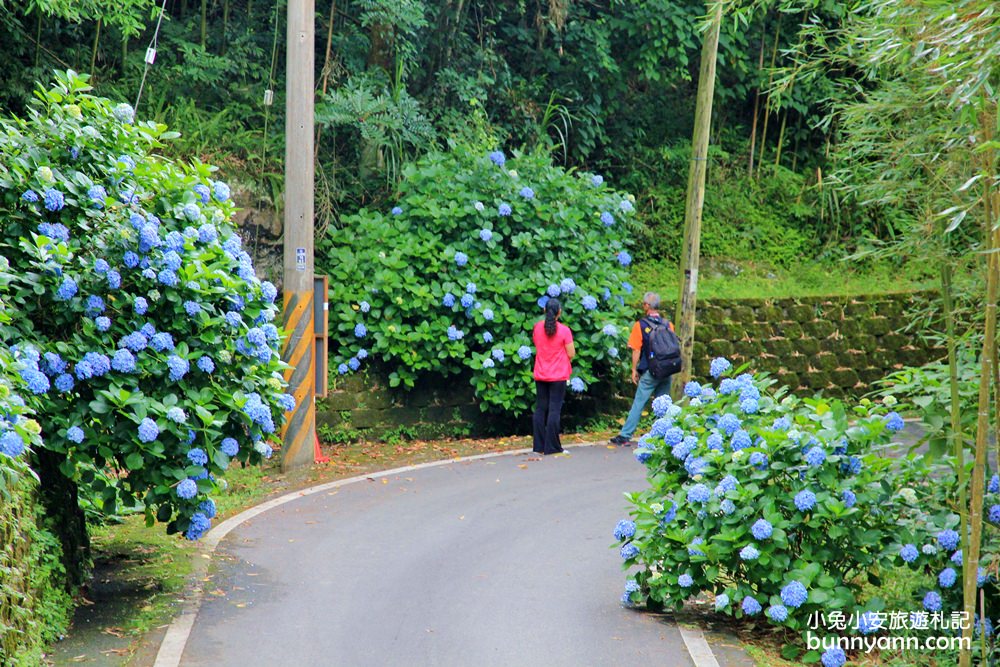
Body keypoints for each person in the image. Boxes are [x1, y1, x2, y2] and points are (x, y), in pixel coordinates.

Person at [610, 292, 674, 446]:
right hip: (666, 370)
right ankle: (665, 434)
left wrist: (634, 369)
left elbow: (636, 350)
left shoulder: (641, 325)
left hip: (650, 371)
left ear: (647, 306)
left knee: (639, 403)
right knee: (663, 404)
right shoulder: (668, 324)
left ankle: (625, 435)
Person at [532, 298, 575, 455]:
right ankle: (552, 447)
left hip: (541, 373)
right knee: (554, 410)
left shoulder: (537, 328)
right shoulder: (564, 331)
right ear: (559, 312)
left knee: (540, 408)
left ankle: (539, 446)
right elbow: (571, 353)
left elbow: (538, 345)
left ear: (544, 310)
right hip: (558, 375)